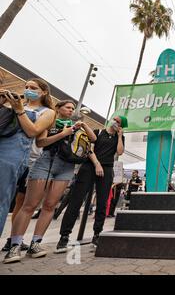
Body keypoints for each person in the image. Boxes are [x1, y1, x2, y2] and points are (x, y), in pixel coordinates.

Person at [3, 100, 97, 263]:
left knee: (50, 205)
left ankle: (36, 243)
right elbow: (40, 142)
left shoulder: (76, 125)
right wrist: (63, 133)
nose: (71, 110)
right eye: (68, 107)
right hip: (45, 162)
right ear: (58, 109)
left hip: (67, 167)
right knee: (30, 205)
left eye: (73, 108)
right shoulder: (50, 120)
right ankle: (15, 245)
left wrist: (82, 125)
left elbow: (93, 138)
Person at [55, 115, 127, 253]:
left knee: (102, 203)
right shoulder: (97, 132)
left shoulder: (120, 137)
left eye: (118, 122)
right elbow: (88, 148)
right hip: (90, 166)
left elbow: (119, 152)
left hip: (106, 169)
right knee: (76, 200)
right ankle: (64, 237)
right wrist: (96, 164)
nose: (115, 122)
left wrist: (119, 136)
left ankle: (97, 234)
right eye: (114, 119)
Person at [0, 79, 55, 237]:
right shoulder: (16, 105)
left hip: (16, 155)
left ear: (44, 92)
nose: (28, 90)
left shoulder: (47, 112)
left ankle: (14, 239)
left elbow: (33, 132)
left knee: (7, 198)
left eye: (33, 88)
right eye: (26, 87)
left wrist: (18, 110)